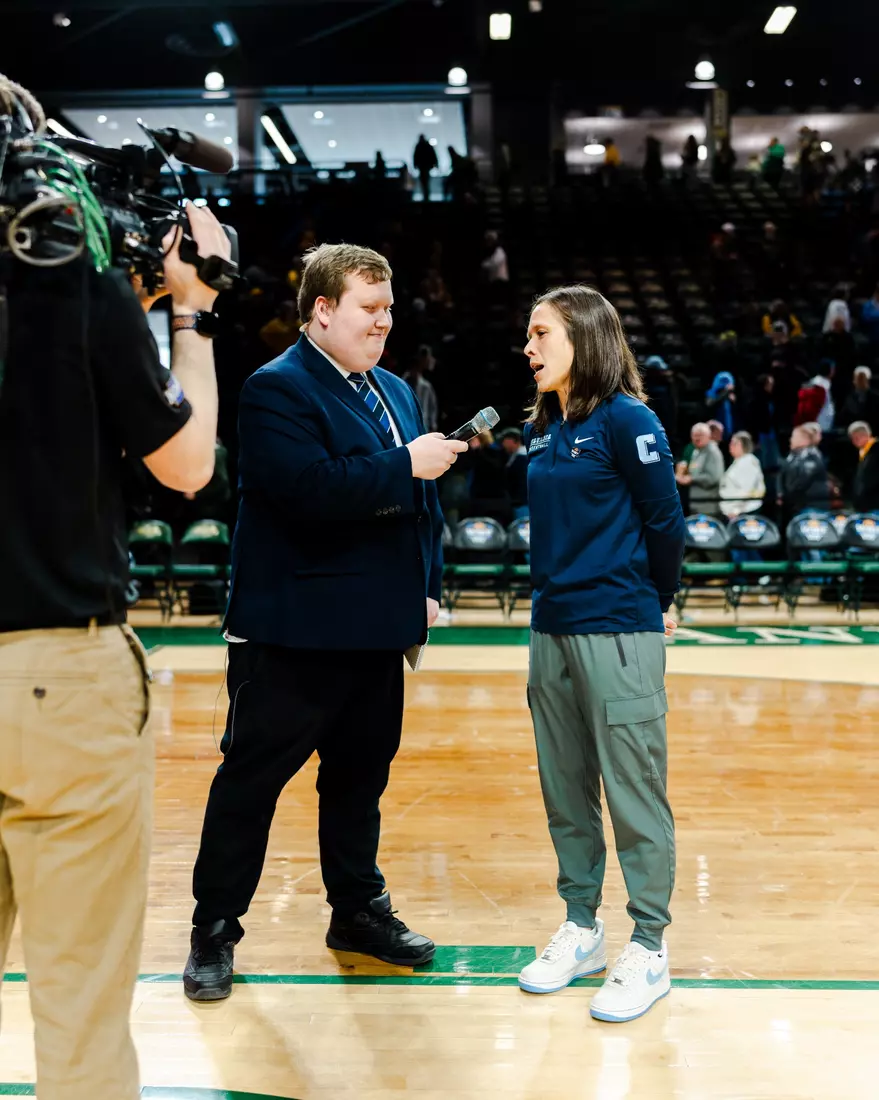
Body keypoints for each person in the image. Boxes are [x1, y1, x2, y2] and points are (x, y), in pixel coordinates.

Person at [0, 72, 231, 1100]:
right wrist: (193, 314)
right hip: (59, 677)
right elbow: (185, 466)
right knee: (80, 1010)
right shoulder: (76, 292)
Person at [183, 243, 466, 1001]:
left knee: (358, 783)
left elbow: (426, 508)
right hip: (292, 631)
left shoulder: (396, 393)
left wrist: (426, 589)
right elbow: (303, 491)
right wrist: (404, 465)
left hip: (377, 627)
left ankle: (355, 911)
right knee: (249, 783)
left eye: (389, 309)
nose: (383, 323)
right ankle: (215, 927)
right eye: (369, 310)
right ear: (322, 309)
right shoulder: (274, 389)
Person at [516, 285, 685, 1024]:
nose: (528, 347)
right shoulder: (542, 427)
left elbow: (663, 519)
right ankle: (581, 926)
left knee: (632, 791)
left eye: (541, 333)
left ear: (583, 338)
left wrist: (659, 601)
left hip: (618, 626)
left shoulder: (628, 420)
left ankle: (648, 945)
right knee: (565, 789)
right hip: (548, 627)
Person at [675, 422, 724, 514]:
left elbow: (713, 478)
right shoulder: (697, 451)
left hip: (708, 505)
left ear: (708, 436)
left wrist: (691, 479)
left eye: (700, 435)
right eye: (694, 435)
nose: (697, 438)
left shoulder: (712, 452)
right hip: (696, 504)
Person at [720, 432, 766, 519]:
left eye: (734, 443)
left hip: (744, 512)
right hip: (736, 512)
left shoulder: (748, 461)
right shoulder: (739, 461)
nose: (730, 445)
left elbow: (746, 490)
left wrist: (736, 510)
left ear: (742, 445)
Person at [848, 421, 879, 512]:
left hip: (875, 504)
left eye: (856, 438)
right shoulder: (864, 452)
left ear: (865, 435)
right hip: (865, 505)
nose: (854, 442)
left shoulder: (876, 450)